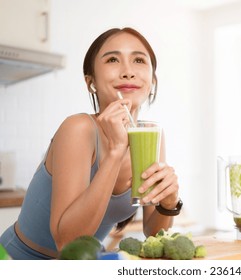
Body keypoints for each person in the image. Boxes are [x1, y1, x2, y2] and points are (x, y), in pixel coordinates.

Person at [0, 27, 181, 260]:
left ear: (152, 80)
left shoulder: (151, 134)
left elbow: (154, 233)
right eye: (113, 59)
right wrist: (116, 152)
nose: (128, 72)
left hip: (81, 264)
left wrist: (169, 202)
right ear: (91, 82)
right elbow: (66, 242)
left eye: (138, 60)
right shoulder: (79, 129)